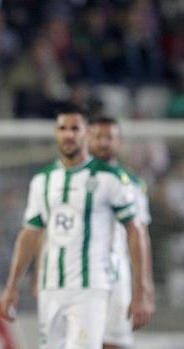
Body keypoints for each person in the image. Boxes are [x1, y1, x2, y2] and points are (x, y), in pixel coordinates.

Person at [0, 106, 153, 349]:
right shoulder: (43, 180)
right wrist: (12, 285)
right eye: (62, 128)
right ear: (55, 132)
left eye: (74, 129)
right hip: (51, 287)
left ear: (85, 133)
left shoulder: (112, 178)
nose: (68, 135)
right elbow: (31, 233)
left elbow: (137, 230)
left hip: (92, 286)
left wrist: (142, 288)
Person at [88, 116, 155, 349]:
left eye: (109, 137)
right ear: (88, 139)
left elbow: (140, 234)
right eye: (97, 137)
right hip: (76, 278)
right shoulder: (70, 178)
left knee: (113, 343)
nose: (103, 143)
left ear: (119, 142)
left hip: (116, 277)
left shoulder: (132, 183)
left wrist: (144, 287)